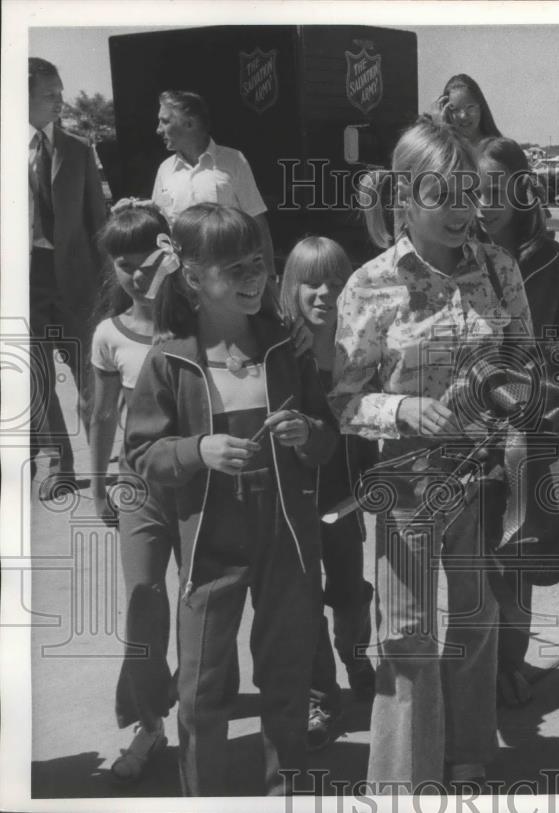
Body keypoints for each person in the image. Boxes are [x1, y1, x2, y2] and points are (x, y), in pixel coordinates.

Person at [330, 116, 533, 791]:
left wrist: (505, 404)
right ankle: (404, 778)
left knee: (475, 618)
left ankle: (469, 752)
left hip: (482, 478)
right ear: (405, 197)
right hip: (408, 481)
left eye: (468, 192)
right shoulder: (369, 284)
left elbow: (522, 363)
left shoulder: (499, 269)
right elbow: (342, 398)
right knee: (409, 633)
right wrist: (402, 408)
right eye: (440, 194)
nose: (459, 210)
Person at [123, 203, 337, 796]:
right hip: (210, 547)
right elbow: (140, 454)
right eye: (234, 268)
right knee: (200, 687)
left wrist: (307, 435)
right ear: (192, 278)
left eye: (260, 264)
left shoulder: (287, 348)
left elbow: (326, 435)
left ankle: (285, 788)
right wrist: (198, 450)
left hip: (288, 540)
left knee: (288, 674)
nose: (254, 278)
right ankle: (205, 794)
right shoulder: (168, 360)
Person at [476, 137, 559, 707]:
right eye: (475, 189)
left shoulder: (550, 259)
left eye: (500, 189)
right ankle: (477, 667)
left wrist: (541, 367)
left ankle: (509, 664)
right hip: (473, 428)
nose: (485, 202)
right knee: (477, 553)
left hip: (530, 427)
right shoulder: (459, 252)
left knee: (519, 552)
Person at [87, 199, 180, 782]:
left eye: (151, 263)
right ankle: (150, 724)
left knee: (206, 602)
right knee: (145, 600)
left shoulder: (199, 321)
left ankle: (201, 708)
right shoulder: (108, 334)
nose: (140, 277)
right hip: (139, 489)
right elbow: (100, 418)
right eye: (126, 267)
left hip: (202, 484)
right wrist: (99, 487)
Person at [278, 236, 378, 751]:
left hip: (345, 489)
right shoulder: (278, 351)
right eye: (311, 283)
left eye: (337, 284)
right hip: (293, 496)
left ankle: (357, 657)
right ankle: (321, 693)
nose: (324, 294)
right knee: (302, 599)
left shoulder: (358, 344)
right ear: (290, 288)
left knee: (348, 588)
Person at [28, 57, 107, 498]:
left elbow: (99, 219)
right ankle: (61, 465)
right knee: (37, 379)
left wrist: (111, 285)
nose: (61, 100)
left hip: (76, 281)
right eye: (49, 94)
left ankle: (100, 464)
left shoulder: (78, 150)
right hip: (24, 282)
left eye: (61, 91)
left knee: (89, 377)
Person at [150, 91, 275, 276]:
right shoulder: (165, 169)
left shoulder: (234, 161)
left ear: (189, 123)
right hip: (182, 278)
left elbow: (257, 222)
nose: (158, 129)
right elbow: (159, 228)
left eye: (165, 121)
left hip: (229, 276)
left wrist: (270, 275)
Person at [436, 73, 503, 148]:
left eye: (470, 107)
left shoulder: (498, 149)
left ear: (480, 106)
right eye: (455, 110)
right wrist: (440, 127)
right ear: (446, 112)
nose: (463, 116)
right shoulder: (445, 149)